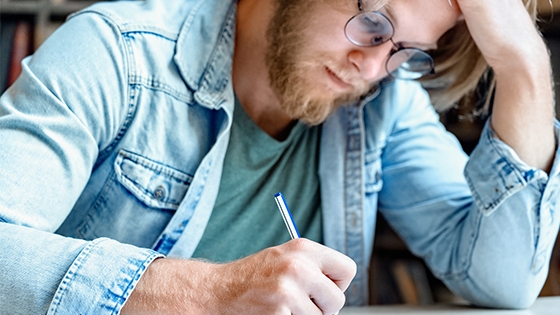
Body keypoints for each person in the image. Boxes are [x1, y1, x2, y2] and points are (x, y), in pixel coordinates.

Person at [0, 0, 558, 313]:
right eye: (372, 24)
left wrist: (523, 65)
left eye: (403, 51)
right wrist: (209, 295)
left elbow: (502, 280)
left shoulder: (382, 105)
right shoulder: (116, 53)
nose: (370, 68)